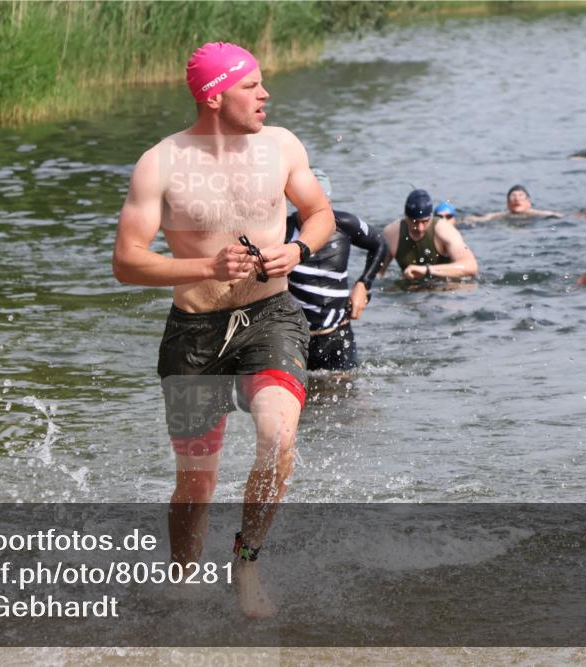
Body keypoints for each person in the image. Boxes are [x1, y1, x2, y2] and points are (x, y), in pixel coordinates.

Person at [111, 42, 335, 618]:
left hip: (272, 319)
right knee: (196, 481)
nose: (266, 95)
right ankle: (182, 581)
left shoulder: (281, 145)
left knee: (278, 438)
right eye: (251, 86)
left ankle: (247, 561)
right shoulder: (159, 163)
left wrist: (298, 246)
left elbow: (320, 213)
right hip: (194, 336)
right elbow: (128, 261)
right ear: (215, 97)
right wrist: (205, 267)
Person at [286, 168, 387, 370]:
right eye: (311, 208)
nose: (321, 214)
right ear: (298, 203)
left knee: (345, 396)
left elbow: (380, 244)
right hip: (296, 340)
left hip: (338, 336)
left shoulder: (344, 224)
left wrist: (363, 285)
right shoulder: (283, 231)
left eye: (325, 206)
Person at [380, 189, 478, 282]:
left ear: (431, 217)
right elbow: (377, 274)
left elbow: (471, 267)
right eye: (414, 222)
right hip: (410, 291)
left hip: (443, 288)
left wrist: (427, 270)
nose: (420, 228)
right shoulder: (391, 234)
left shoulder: (445, 230)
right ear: (406, 217)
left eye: (425, 221)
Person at [464, 184, 563, 223]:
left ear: (528, 202)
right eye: (513, 196)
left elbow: (555, 215)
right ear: (507, 203)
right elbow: (484, 219)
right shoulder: (501, 215)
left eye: (521, 196)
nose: (517, 199)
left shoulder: (537, 214)